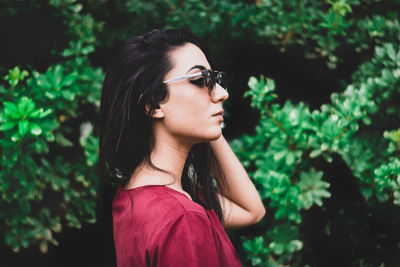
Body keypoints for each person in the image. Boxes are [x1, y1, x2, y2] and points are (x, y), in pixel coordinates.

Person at [99, 29, 265, 267]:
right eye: (200, 81)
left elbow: (251, 211)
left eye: (215, 80)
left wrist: (210, 121)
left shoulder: (132, 195)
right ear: (153, 103)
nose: (222, 93)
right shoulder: (182, 219)